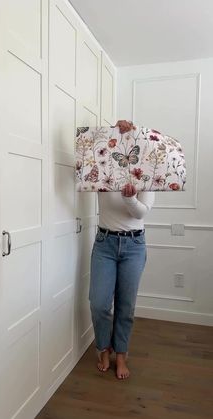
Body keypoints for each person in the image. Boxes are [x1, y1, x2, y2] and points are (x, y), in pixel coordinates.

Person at [89, 120, 155, 380]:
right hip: (104, 243)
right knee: (99, 303)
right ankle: (103, 348)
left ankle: (121, 356)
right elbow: (93, 145)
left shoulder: (147, 173)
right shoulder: (103, 167)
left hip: (134, 245)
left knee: (126, 307)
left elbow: (142, 212)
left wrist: (130, 197)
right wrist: (118, 129)